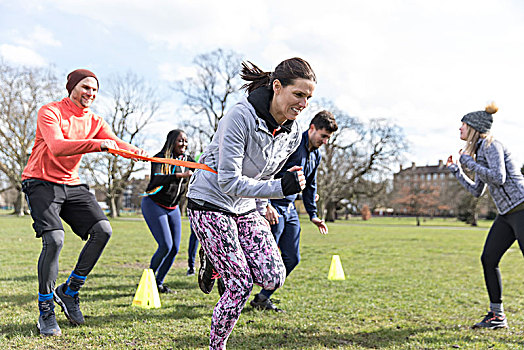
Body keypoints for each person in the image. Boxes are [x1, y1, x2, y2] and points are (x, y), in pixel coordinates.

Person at [186, 57, 316, 349]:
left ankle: (216, 261)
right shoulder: (239, 117)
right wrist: (279, 189)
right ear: (277, 87)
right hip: (210, 202)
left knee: (273, 277)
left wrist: (263, 204)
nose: (304, 104)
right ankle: (216, 346)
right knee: (240, 285)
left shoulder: (293, 132)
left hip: (245, 206)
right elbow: (228, 181)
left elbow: (266, 172)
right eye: (298, 95)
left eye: (308, 98)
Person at [21, 69, 148, 336]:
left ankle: (69, 291)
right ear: (72, 88)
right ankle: (45, 311)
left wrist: (136, 153)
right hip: (41, 182)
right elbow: (57, 146)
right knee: (54, 239)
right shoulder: (50, 111)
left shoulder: (95, 120)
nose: (90, 93)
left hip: (72, 184)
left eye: (94, 90)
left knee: (103, 230)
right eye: (85, 87)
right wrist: (97, 144)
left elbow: (114, 142)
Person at [250, 110, 338, 312]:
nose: (325, 141)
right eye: (323, 136)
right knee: (263, 255)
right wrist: (265, 203)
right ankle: (228, 277)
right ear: (312, 128)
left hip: (289, 210)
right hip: (272, 204)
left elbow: (311, 185)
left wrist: (313, 214)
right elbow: (267, 170)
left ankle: (262, 298)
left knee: (292, 258)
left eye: (328, 138)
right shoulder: (291, 144)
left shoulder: (316, 155)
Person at [446, 102, 524, 329]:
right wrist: (458, 171)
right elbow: (476, 190)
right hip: (506, 214)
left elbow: (499, 177)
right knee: (489, 258)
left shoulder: (491, 145)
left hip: (522, 208)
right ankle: (497, 316)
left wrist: (470, 163)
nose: (460, 129)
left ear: (473, 127)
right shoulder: (479, 151)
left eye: (463, 125)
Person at [141, 129, 194, 293]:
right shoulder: (160, 158)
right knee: (165, 245)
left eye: (185, 141)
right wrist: (179, 175)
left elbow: (203, 167)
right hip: (153, 204)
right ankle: (148, 281)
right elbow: (157, 177)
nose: (184, 144)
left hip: (173, 208)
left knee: (174, 249)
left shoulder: (187, 159)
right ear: (172, 142)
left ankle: (158, 283)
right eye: (180, 141)